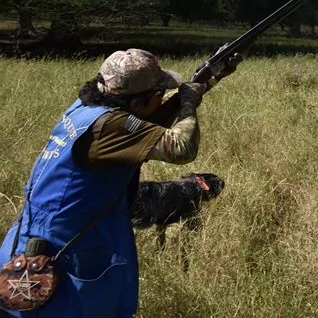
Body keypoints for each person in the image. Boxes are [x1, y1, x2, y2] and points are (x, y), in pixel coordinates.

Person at [0, 49, 206, 317]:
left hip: (29, 245)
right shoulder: (108, 127)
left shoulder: (86, 110)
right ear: (135, 103)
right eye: (158, 94)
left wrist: (205, 81)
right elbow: (182, 147)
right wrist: (188, 103)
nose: (161, 99)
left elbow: (142, 125)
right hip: (66, 257)